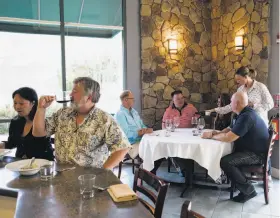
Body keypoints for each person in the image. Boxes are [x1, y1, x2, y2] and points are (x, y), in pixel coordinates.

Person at [32, 77, 131, 169]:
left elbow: (122, 148)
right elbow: (38, 133)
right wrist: (41, 108)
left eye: (74, 91)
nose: (70, 94)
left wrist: (103, 172)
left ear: (89, 97)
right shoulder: (62, 114)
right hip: (62, 177)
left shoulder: (104, 119)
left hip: (90, 181)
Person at [202, 91, 269, 203]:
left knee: (226, 162)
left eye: (231, 102)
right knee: (227, 156)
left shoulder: (247, 116)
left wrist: (211, 137)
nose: (230, 104)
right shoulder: (243, 113)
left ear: (236, 103)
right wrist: (215, 133)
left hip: (256, 155)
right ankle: (238, 184)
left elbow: (229, 138)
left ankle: (249, 190)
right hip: (252, 150)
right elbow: (230, 129)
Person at [208, 67, 274, 127]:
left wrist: (253, 105)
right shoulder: (240, 89)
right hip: (244, 124)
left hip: (258, 124)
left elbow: (270, 104)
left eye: (239, 79)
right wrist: (215, 110)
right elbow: (232, 106)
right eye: (236, 80)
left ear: (246, 77)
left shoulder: (261, 87)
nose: (237, 82)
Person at [0, 87, 54, 160]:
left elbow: (43, 146)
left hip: (42, 164)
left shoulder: (40, 122)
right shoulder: (15, 122)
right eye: (15, 103)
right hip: (20, 164)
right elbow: (12, 143)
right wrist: (2, 145)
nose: (17, 107)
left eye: (21, 103)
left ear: (33, 103)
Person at [115, 90, 153, 159]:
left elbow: (142, 125)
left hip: (141, 140)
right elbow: (125, 134)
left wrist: (146, 129)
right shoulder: (120, 114)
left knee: (158, 146)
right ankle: (143, 168)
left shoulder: (134, 112)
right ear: (125, 100)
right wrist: (138, 133)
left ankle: (144, 168)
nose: (134, 100)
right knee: (153, 149)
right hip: (130, 145)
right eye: (132, 99)